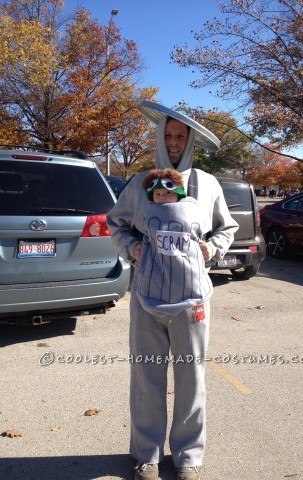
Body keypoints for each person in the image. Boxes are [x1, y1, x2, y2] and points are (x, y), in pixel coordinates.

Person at [107, 101, 239, 480]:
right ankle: (146, 454)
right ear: (159, 138)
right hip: (147, 298)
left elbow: (226, 228)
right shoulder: (140, 184)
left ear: (191, 140)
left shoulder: (207, 184)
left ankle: (188, 457)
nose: (174, 141)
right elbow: (116, 222)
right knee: (146, 377)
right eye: (168, 135)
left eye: (180, 136)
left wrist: (211, 249)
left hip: (192, 301)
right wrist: (132, 248)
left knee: (190, 376)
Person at [137, 168, 213, 318]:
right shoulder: (150, 211)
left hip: (189, 282)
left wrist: (211, 247)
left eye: (168, 193)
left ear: (178, 194)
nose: (162, 197)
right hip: (155, 279)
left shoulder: (191, 209)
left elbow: (200, 231)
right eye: (157, 194)